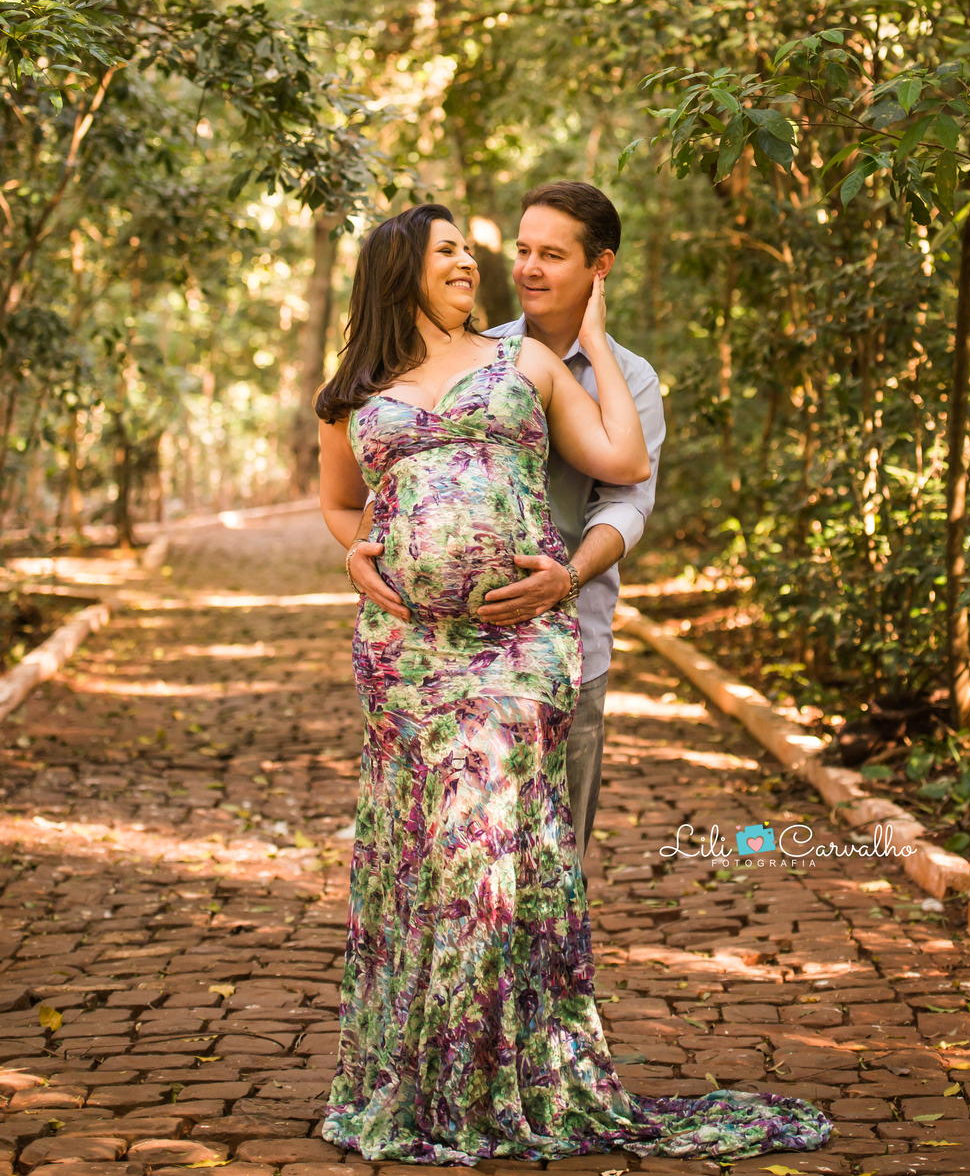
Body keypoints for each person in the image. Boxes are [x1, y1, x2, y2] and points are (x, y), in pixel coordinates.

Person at [315, 203, 830, 1164]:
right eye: (455, 251)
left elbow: (627, 470)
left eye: (487, 250)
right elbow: (343, 503)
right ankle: (422, 1080)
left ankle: (493, 1081)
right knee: (424, 861)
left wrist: (592, 335)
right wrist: (358, 560)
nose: (482, 262)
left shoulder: (536, 366)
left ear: (594, 267)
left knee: (491, 857)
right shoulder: (357, 385)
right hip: (406, 653)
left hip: (525, 649)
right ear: (398, 272)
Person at [345, 180, 662, 858]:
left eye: (550, 254)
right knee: (435, 848)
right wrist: (361, 547)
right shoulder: (475, 350)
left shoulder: (625, 378)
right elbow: (390, 477)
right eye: (522, 250)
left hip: (556, 635)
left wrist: (566, 578)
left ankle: (533, 965)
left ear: (597, 267)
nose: (526, 269)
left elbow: (629, 493)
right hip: (419, 647)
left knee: (547, 852)